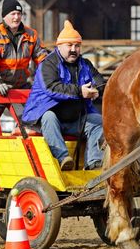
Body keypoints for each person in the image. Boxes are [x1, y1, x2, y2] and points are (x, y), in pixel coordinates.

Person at [22, 20, 104, 171]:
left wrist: (96, 89)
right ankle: (64, 158)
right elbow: (52, 88)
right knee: (48, 117)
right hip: (48, 121)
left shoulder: (85, 64)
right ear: (59, 46)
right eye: (69, 45)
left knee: (98, 121)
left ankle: (94, 163)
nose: (74, 49)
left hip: (75, 120)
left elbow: (99, 81)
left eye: (77, 46)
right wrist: (80, 92)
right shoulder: (48, 64)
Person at [0, 0, 48, 135]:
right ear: (4, 16)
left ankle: (24, 146)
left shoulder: (31, 35)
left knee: (30, 121)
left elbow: (42, 58)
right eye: (13, 14)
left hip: (19, 86)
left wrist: (49, 76)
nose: (16, 17)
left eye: (19, 14)